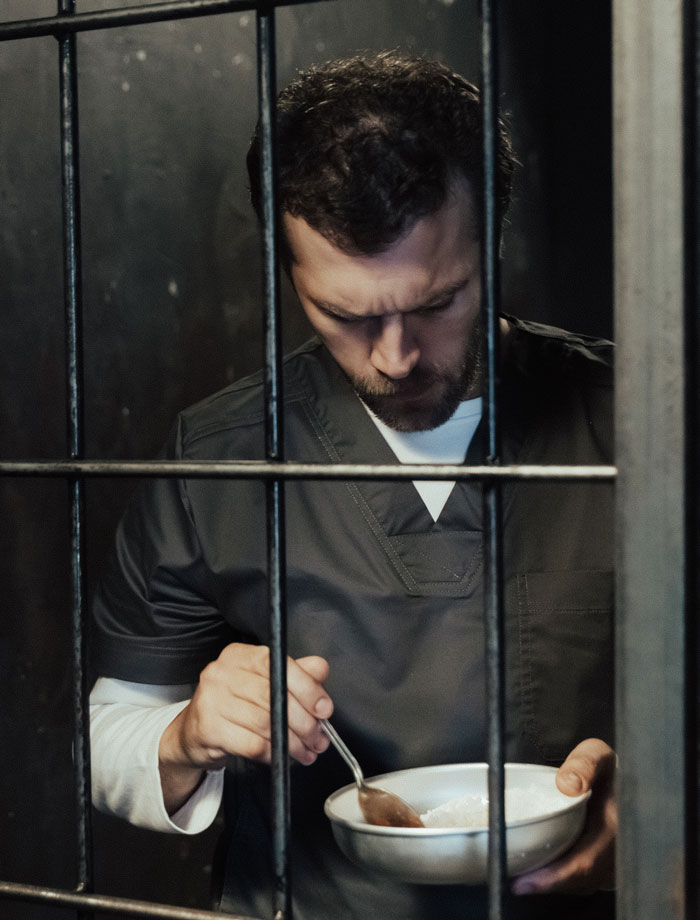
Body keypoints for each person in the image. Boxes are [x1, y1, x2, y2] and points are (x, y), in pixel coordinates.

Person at [90, 52, 617, 919]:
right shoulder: (220, 458)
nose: (396, 357)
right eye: (346, 314)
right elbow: (112, 732)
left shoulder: (640, 427)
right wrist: (187, 735)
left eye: (438, 304)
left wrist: (670, 803)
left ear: (494, 241)